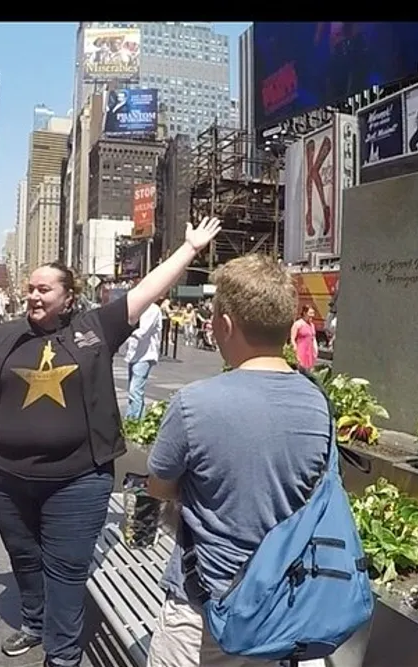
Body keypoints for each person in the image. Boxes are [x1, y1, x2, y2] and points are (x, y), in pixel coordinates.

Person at [0, 218, 222, 667]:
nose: (34, 296)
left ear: (68, 297)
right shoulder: (8, 334)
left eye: (44, 290)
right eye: (31, 289)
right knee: (24, 556)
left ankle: (62, 655)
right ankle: (34, 623)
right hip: (6, 477)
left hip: (77, 481)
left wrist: (189, 248)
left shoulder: (96, 328)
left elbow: (149, 290)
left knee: (67, 570)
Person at [144, 255, 328, 667]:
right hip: (285, 603)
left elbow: (158, 486)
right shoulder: (319, 403)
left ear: (224, 324)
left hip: (203, 607)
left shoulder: (194, 404)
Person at [124, 298, 163, 420]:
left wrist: (125, 332)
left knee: (135, 390)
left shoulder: (152, 310)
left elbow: (143, 331)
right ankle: (139, 419)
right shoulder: (140, 309)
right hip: (135, 354)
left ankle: (132, 420)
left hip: (145, 355)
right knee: (134, 390)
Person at [290, 304, 318, 369]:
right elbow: (292, 338)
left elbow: (313, 338)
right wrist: (295, 352)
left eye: (313, 313)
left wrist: (315, 351)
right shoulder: (298, 324)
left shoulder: (312, 325)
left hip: (310, 352)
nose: (312, 315)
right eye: (310, 313)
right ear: (305, 313)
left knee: (309, 370)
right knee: (300, 369)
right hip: (301, 351)